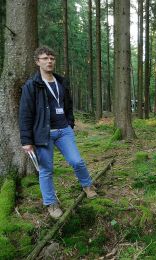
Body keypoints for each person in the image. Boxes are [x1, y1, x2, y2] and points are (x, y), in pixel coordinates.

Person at [19, 46, 97, 219]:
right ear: (37, 61)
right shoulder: (32, 85)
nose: (49, 61)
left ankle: (87, 186)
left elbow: (67, 105)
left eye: (52, 58)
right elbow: (25, 114)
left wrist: (70, 124)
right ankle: (51, 203)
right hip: (43, 134)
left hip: (64, 131)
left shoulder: (61, 82)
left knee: (77, 161)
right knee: (46, 170)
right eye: (45, 58)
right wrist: (26, 140)